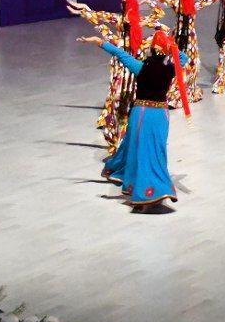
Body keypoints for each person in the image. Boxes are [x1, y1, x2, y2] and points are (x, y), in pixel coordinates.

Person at [78, 29, 190, 211]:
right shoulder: (171, 68)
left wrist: (98, 41)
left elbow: (119, 53)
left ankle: (139, 187)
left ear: (151, 50)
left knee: (138, 149)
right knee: (157, 150)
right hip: (160, 115)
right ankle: (156, 188)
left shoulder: (140, 66)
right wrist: (171, 46)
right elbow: (183, 57)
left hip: (142, 113)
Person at [67, 0, 165, 153]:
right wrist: (84, 10)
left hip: (126, 65)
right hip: (130, 66)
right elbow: (160, 20)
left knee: (122, 99)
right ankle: (127, 137)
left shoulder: (126, 22)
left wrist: (85, 11)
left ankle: (124, 137)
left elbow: (101, 23)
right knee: (124, 100)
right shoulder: (134, 24)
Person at [129, 0, 217, 106]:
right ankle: (180, 89)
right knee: (185, 62)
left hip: (183, 37)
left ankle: (181, 89)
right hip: (187, 38)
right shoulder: (193, 6)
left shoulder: (178, 4)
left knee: (181, 62)